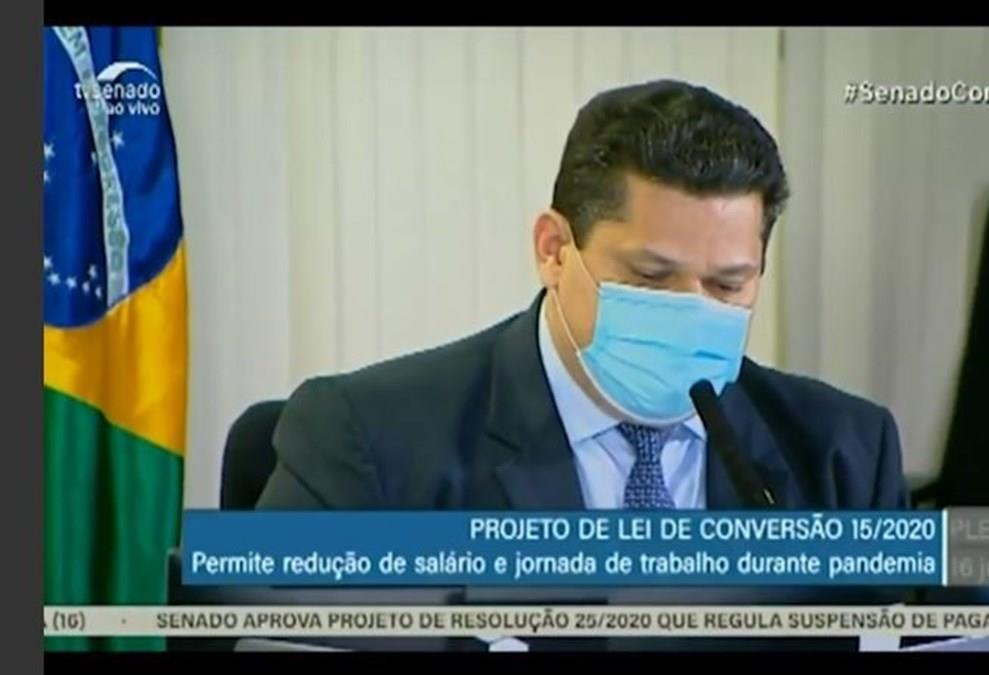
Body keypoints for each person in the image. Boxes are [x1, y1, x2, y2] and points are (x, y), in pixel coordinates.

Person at [256, 79, 907, 511]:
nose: (691, 310)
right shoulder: (370, 441)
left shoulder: (844, 453)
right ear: (554, 250)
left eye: (727, 284)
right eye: (650, 276)